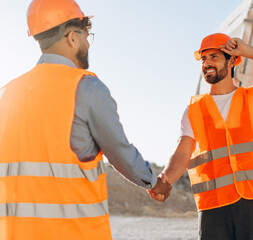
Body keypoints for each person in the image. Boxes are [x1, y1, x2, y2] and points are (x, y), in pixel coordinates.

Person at [0, 0, 171, 239]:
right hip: (75, 232)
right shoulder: (85, 87)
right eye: (86, 35)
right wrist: (154, 183)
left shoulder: (7, 93)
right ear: (72, 38)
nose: (87, 43)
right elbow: (119, 151)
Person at [148, 33, 253, 239]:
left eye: (214, 57)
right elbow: (182, 152)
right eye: (203, 59)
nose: (206, 63)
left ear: (232, 61)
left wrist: (247, 51)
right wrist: (165, 180)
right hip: (213, 205)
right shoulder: (193, 110)